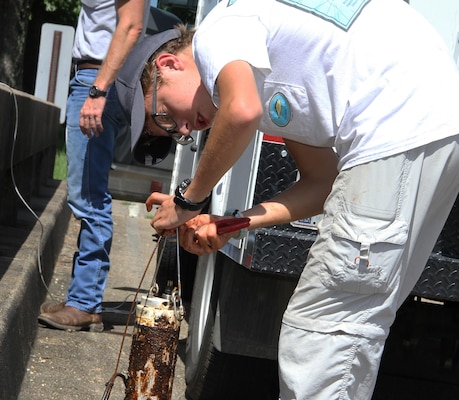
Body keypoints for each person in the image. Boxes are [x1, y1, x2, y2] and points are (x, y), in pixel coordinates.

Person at [136, 0, 459, 399]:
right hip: (431, 129)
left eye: (166, 115)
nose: (185, 129)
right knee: (350, 328)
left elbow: (240, 112)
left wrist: (188, 200)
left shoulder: (220, 27)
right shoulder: (271, 67)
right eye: (175, 134)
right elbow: (323, 183)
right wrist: (233, 222)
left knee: (317, 336)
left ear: (169, 64)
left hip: (398, 129)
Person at [37, 0, 181, 332]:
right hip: (101, 75)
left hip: (100, 76)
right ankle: (81, 297)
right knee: (89, 194)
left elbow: (130, 26)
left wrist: (98, 90)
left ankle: (85, 303)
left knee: (89, 196)